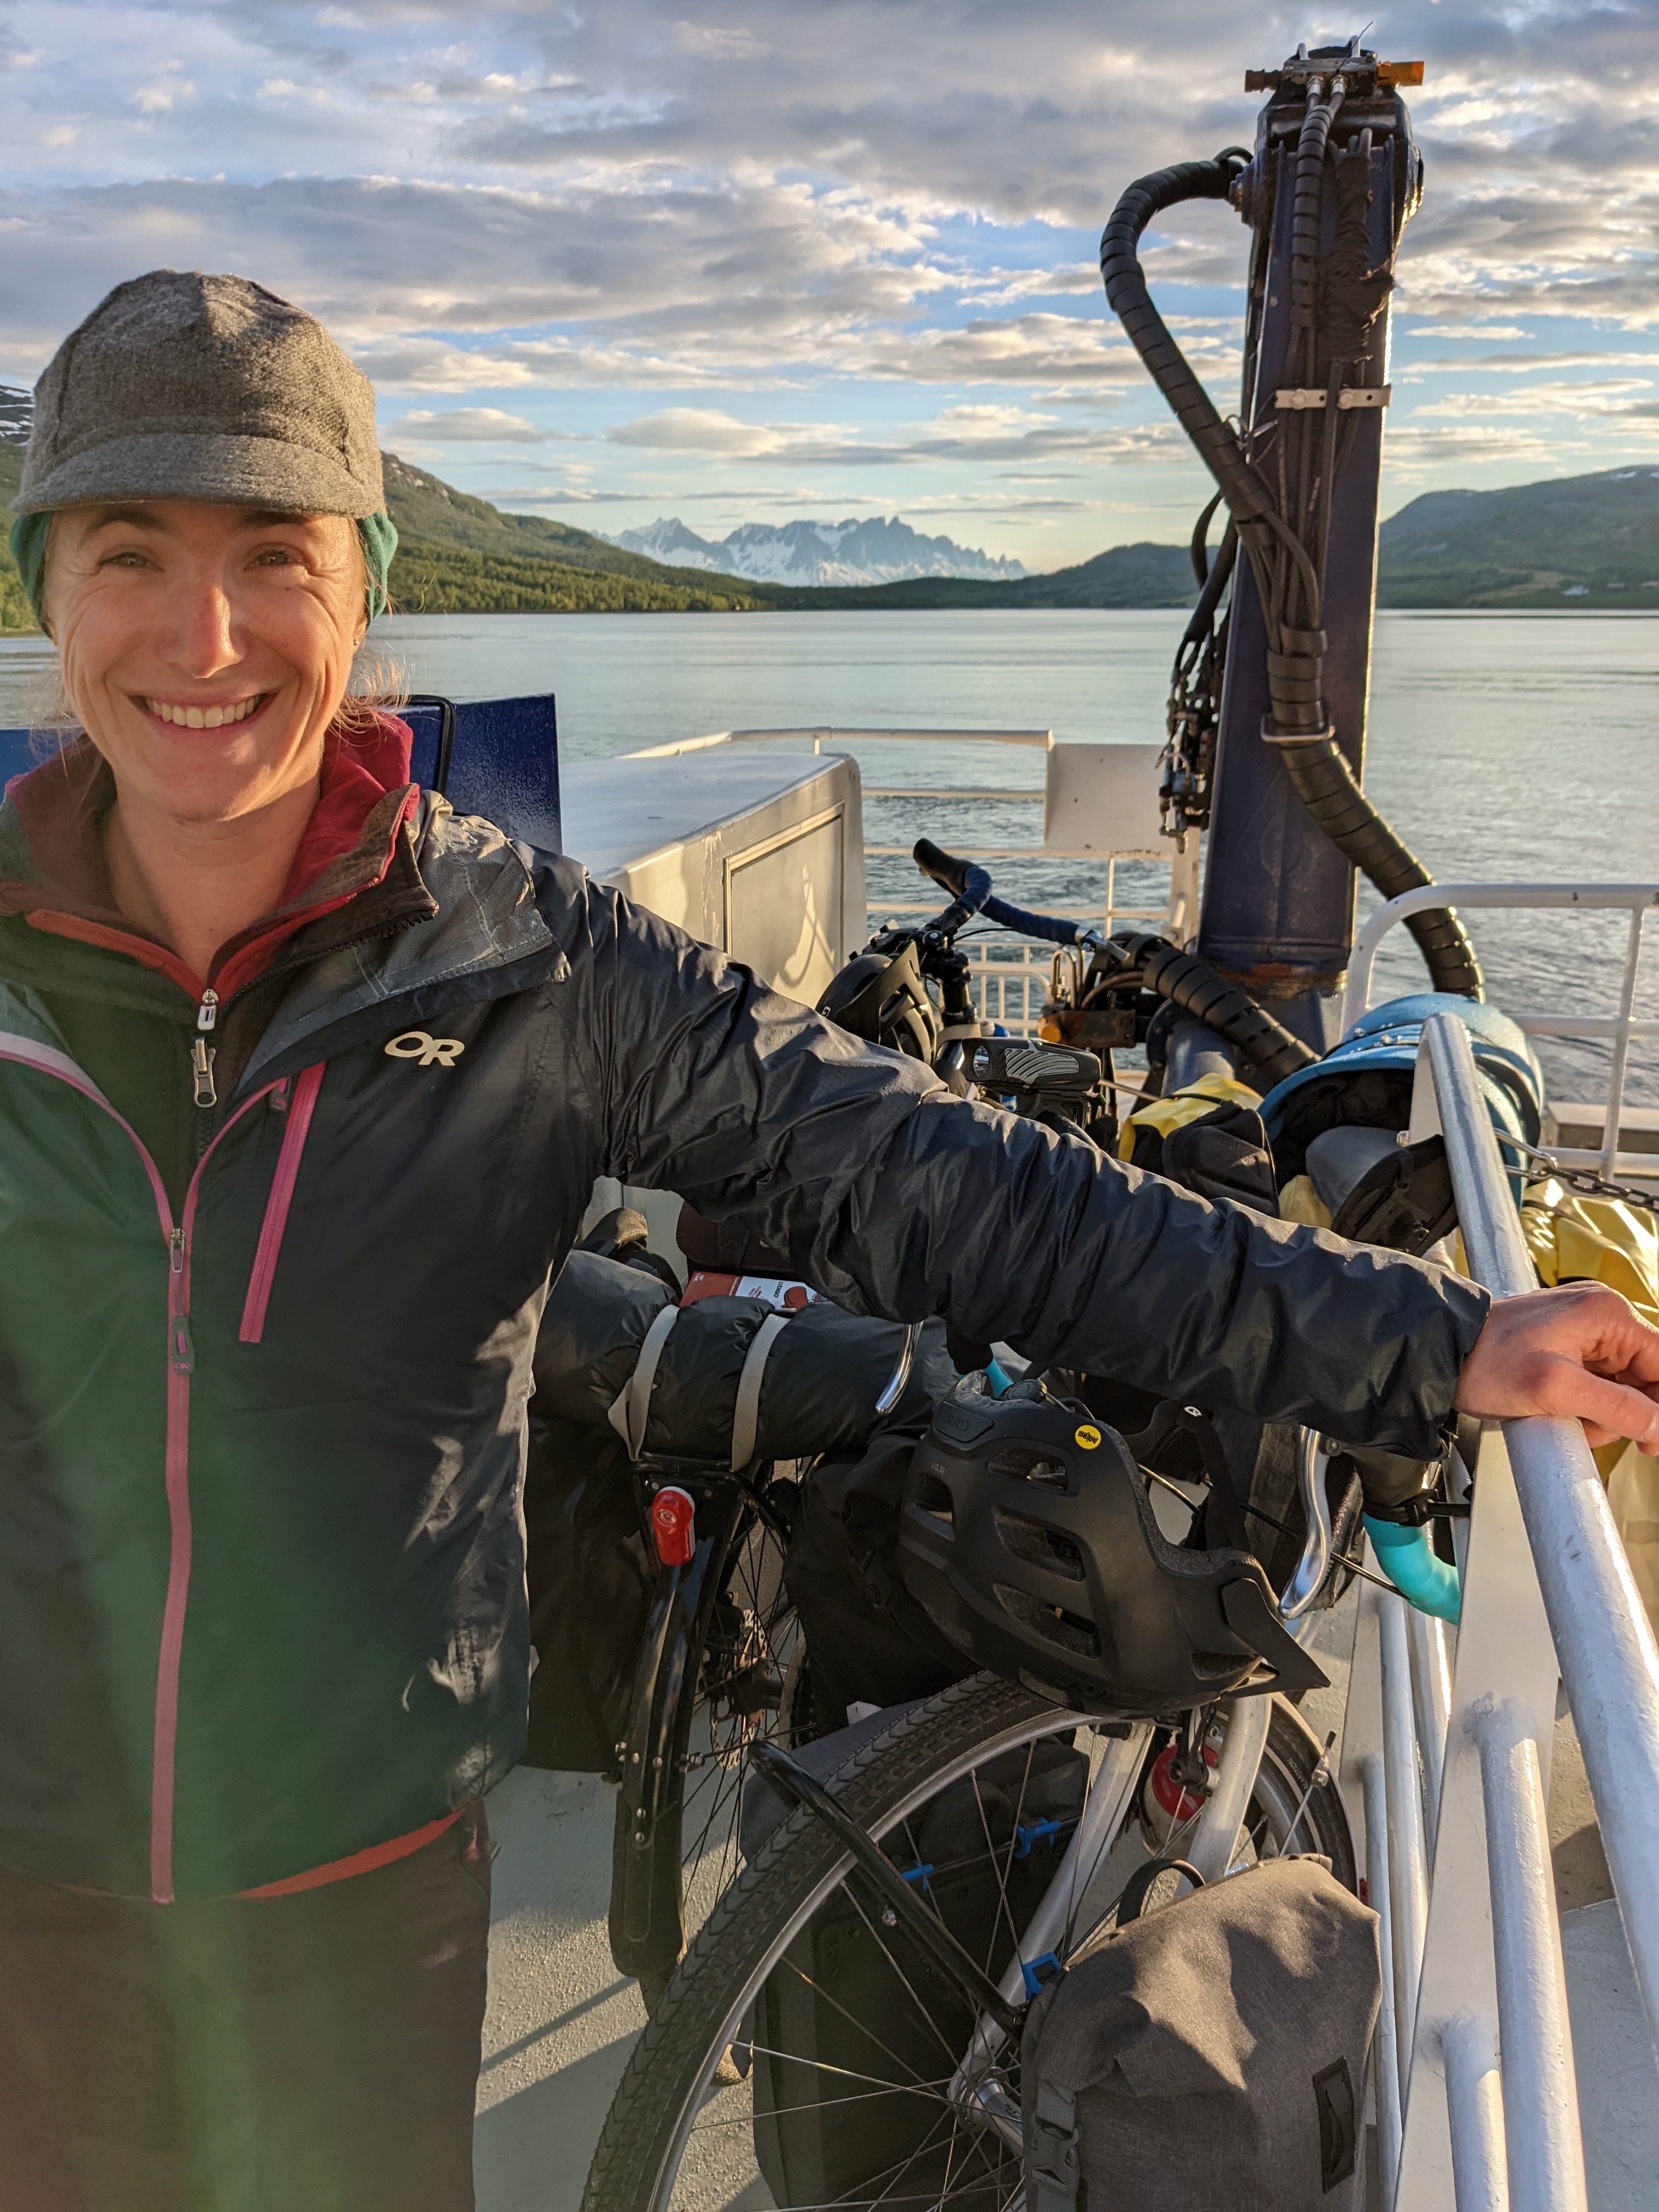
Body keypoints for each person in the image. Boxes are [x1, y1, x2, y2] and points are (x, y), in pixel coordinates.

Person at [2, 267, 1655, 2212]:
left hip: (361, 1880)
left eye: (272, 553)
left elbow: (946, 1176)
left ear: (363, 591)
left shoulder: (532, 965)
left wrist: (1415, 1337)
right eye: (132, 552)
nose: (205, 635)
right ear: (49, 590)